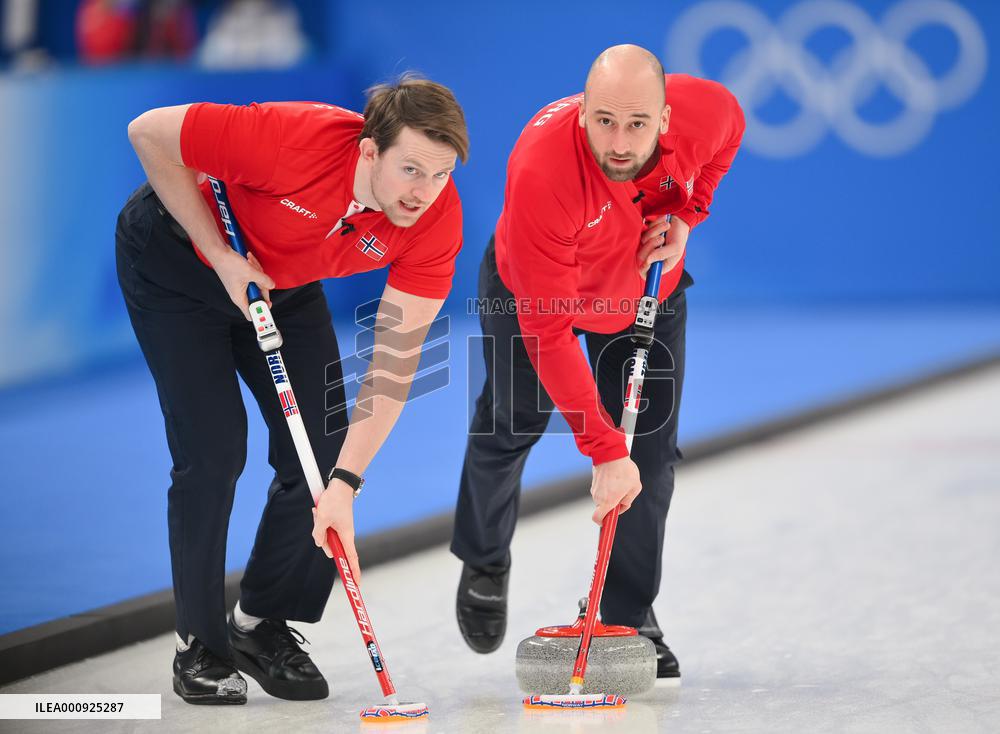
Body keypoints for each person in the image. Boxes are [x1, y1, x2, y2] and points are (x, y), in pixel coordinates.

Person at [118, 76, 468, 704]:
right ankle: (198, 644)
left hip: (282, 277)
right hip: (178, 261)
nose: (424, 192)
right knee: (215, 449)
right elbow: (146, 131)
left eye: (440, 175)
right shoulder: (291, 138)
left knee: (326, 454)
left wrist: (346, 486)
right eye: (411, 169)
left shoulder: (433, 219)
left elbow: (393, 362)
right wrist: (220, 257)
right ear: (368, 151)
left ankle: (260, 623)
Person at [452, 44, 744, 683]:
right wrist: (601, 450)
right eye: (603, 120)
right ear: (582, 109)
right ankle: (485, 557)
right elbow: (549, 331)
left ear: (666, 120)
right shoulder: (542, 169)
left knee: (651, 451)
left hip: (645, 291)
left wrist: (689, 216)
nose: (618, 140)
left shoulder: (706, 113)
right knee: (515, 416)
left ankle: (628, 614)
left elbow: (729, 130)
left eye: (637, 124)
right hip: (538, 291)